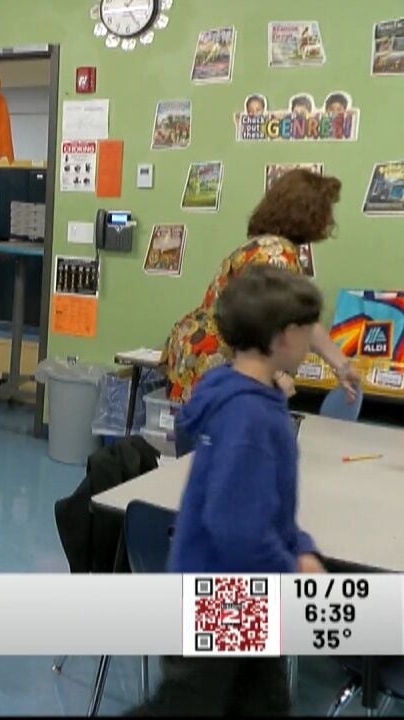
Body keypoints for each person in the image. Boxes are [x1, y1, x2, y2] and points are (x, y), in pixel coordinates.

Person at [132, 266, 325, 716]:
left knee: (260, 701)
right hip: (221, 599)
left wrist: (301, 547)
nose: (312, 338)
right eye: (305, 329)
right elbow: (236, 528)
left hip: (234, 594)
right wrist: (291, 571)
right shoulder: (251, 420)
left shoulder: (231, 392)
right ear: (281, 338)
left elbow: (266, 510)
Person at [164, 169, 359, 404]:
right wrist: (274, 372)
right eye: (326, 211)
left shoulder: (264, 246)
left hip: (202, 349)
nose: (330, 220)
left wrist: (340, 364)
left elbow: (302, 318)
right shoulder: (277, 254)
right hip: (218, 357)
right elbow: (262, 319)